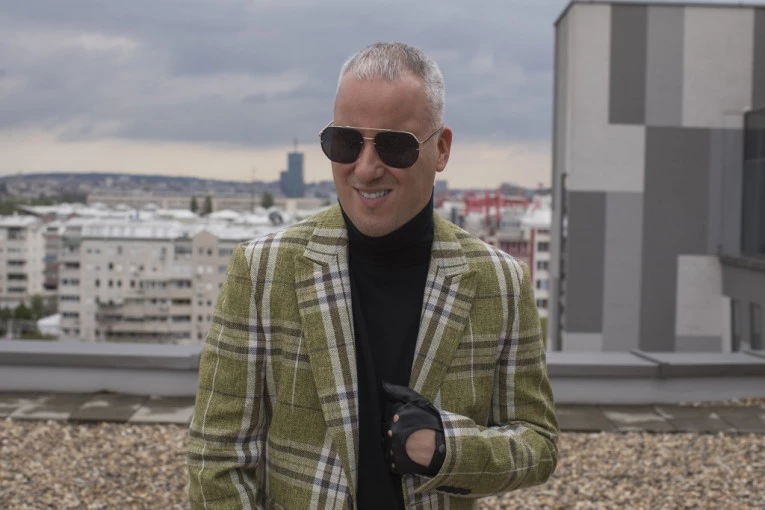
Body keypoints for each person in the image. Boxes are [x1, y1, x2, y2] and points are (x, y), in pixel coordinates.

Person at [187, 42, 558, 510]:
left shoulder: (500, 283)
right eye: (345, 143)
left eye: (393, 145)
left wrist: (447, 448)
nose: (365, 169)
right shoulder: (263, 271)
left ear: (441, 149)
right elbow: (216, 457)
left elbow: (538, 443)